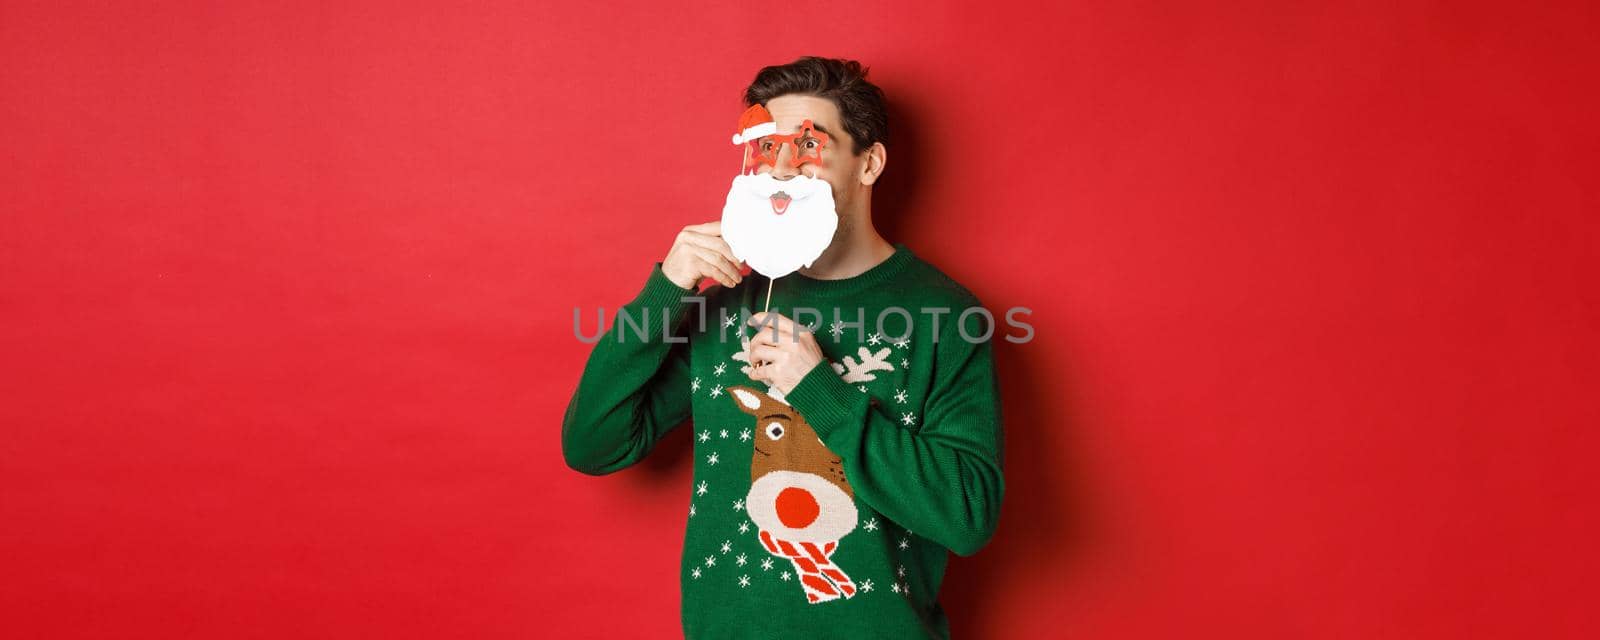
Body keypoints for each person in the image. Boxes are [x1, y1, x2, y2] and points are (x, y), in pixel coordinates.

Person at [562, 56, 1005, 640]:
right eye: (767, 149)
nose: (784, 169)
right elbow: (593, 445)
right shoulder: (726, 303)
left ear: (868, 163)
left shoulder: (946, 316)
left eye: (808, 146)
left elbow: (969, 515)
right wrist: (662, 294)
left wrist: (818, 390)